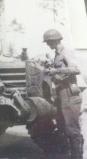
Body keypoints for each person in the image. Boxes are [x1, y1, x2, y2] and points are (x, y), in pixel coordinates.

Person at [43, 29, 84, 159]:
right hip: (61, 94)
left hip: (70, 94)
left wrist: (55, 70)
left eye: (49, 42)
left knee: (72, 129)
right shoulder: (57, 54)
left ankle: (77, 156)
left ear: (55, 41)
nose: (48, 44)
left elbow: (75, 69)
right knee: (62, 127)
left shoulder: (66, 52)